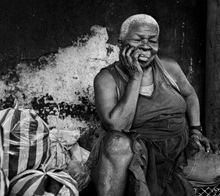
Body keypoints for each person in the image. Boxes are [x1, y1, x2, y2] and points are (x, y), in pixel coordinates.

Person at [89, 14, 220, 196]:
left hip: (179, 152)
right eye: (138, 39)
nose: (145, 46)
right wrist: (136, 76)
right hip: (137, 155)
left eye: (152, 41)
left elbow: (190, 95)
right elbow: (117, 126)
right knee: (115, 143)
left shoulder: (169, 67)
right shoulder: (107, 79)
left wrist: (196, 130)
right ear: (121, 43)